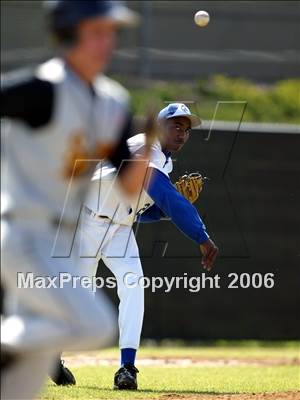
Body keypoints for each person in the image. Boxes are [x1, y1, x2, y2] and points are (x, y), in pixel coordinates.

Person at [0, 1, 156, 399]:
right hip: (24, 231)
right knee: (94, 325)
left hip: (63, 240)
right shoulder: (42, 90)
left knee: (19, 386)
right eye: (96, 31)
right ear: (68, 34)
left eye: (111, 32)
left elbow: (127, 184)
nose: (108, 41)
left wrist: (150, 146)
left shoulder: (111, 102)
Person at [60, 103, 219, 390]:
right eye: (175, 125)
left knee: (133, 284)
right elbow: (164, 195)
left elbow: (141, 212)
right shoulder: (145, 149)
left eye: (186, 128)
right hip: (86, 222)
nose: (182, 133)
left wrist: (170, 207)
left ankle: (127, 368)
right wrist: (201, 235)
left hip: (119, 228)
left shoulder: (164, 161)